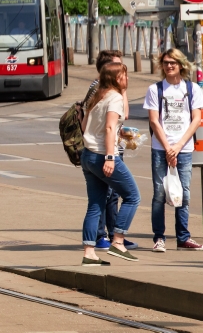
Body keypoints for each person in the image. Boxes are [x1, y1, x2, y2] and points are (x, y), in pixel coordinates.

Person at [79, 62, 140, 265]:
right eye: (124, 75)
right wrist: (110, 157)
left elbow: (84, 124)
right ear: (116, 78)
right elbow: (108, 128)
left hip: (88, 155)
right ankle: (118, 241)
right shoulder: (114, 98)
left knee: (95, 204)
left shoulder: (98, 95)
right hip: (102, 156)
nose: (128, 78)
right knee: (132, 196)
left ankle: (89, 252)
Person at [144, 48, 203, 252]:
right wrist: (168, 147)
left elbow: (196, 119)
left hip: (184, 149)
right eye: (166, 62)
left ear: (181, 65)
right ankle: (159, 237)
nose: (169, 65)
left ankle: (183, 237)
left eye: (173, 62)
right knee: (160, 193)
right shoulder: (155, 89)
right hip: (161, 148)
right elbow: (154, 121)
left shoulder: (193, 88)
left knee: (183, 194)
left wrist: (178, 147)